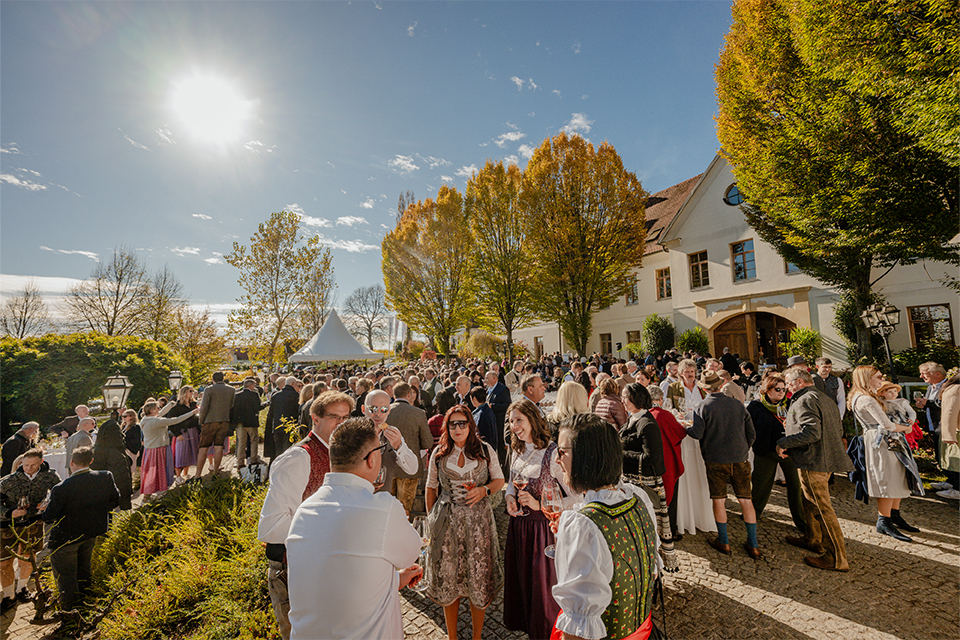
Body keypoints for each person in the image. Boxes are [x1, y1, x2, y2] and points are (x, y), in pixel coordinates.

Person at [285, 418, 422, 640]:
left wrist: (395, 580)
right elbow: (411, 554)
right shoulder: (383, 508)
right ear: (372, 459)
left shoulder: (304, 509)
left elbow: (336, 577)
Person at [551, 413, 662, 640]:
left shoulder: (583, 525)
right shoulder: (638, 498)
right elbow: (648, 567)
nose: (556, 459)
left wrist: (576, 537)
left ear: (586, 458)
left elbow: (577, 630)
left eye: (562, 451)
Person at [258, 390, 354, 639]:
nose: (341, 425)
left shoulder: (342, 454)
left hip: (328, 566)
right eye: (335, 417)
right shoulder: (299, 457)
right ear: (315, 418)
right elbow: (271, 527)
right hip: (293, 570)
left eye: (346, 418)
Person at [424, 406, 505, 640]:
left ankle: (477, 637)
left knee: (477, 581)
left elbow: (499, 479)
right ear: (446, 427)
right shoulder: (438, 453)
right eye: (453, 424)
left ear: (470, 426)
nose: (458, 428)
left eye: (462, 423)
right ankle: (452, 637)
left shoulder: (485, 450)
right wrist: (432, 521)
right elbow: (431, 487)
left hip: (478, 523)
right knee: (450, 580)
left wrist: (484, 490)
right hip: (447, 522)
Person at [503, 399, 571, 640]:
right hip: (519, 529)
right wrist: (509, 498)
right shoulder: (517, 450)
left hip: (543, 533)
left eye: (519, 420)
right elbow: (511, 483)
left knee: (543, 592)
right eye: (511, 421)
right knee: (522, 586)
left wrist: (539, 505)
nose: (514, 426)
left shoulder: (552, 454)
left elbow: (574, 497)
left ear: (533, 419)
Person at [777, 366, 854, 571]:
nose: (786, 387)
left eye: (788, 383)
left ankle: (837, 558)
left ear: (799, 382)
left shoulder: (804, 399)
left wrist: (785, 442)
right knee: (809, 501)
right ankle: (813, 538)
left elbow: (811, 433)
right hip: (823, 458)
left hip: (814, 460)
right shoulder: (822, 397)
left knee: (822, 508)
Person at [686, 370, 760, 559]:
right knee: (746, 499)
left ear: (704, 388)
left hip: (715, 458)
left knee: (719, 499)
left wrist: (684, 427)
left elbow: (697, 434)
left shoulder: (702, 406)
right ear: (720, 385)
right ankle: (753, 544)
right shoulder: (737, 404)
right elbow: (751, 433)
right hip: (739, 457)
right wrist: (743, 449)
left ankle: (724, 541)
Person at [848, 365, 922, 542]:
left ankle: (894, 515)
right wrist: (907, 428)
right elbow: (887, 425)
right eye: (878, 376)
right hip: (881, 441)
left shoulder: (864, 397)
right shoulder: (866, 399)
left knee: (897, 476)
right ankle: (884, 521)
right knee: (887, 479)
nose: (882, 379)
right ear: (867, 378)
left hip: (885, 440)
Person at [42, 446, 119, 615]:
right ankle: (87, 603)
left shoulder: (61, 488)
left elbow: (49, 517)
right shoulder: (105, 476)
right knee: (84, 568)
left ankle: (70, 613)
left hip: (65, 538)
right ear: (91, 461)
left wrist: (43, 509)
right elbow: (115, 500)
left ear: (71, 462)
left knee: (66, 577)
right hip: (92, 531)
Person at [620, 383, 677, 572]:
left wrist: (620, 455)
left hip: (646, 486)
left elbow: (653, 460)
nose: (622, 401)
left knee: (646, 530)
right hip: (633, 484)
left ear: (636, 399)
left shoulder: (648, 423)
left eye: (625, 397)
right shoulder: (633, 419)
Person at [0, 448, 61, 612]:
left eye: (32, 465)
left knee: (29, 557)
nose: (28, 468)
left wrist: (49, 505)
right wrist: (9, 513)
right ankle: (8, 596)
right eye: (25, 465)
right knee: (4, 563)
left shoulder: (50, 477)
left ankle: (21, 589)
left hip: (34, 523)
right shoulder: (7, 481)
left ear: (41, 462)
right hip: (8, 526)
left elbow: (59, 495)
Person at [747, 373, 806, 532]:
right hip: (765, 451)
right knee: (761, 484)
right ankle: (753, 514)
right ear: (767, 390)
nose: (781, 392)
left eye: (783, 389)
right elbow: (749, 428)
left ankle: (801, 520)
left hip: (788, 451)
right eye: (777, 389)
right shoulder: (755, 406)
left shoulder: (790, 404)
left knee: (795, 485)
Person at [386, 382, 434, 516]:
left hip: (388, 466)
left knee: (387, 509)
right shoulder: (418, 413)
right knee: (404, 509)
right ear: (409, 394)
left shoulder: (385, 411)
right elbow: (427, 442)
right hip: (410, 468)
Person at [647, 385, 686, 542]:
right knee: (669, 496)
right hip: (667, 462)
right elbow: (680, 433)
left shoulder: (644, 415)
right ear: (661, 399)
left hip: (651, 465)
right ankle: (669, 530)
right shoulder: (665, 415)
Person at [361, 390, 418, 494]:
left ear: (389, 411)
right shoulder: (352, 433)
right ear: (363, 409)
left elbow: (412, 469)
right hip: (356, 499)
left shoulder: (393, 434)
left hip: (382, 500)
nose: (378, 414)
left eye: (383, 409)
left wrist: (399, 446)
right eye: (373, 409)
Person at [140, 399, 197, 497]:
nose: (159, 409)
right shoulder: (156, 421)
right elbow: (176, 420)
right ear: (152, 410)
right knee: (161, 470)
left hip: (149, 449)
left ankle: (148, 494)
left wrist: (169, 405)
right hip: (159, 449)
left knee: (151, 472)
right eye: (157, 407)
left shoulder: (145, 419)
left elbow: (160, 414)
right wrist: (192, 413)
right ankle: (161, 491)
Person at [196, 371, 236, 477]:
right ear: (223, 378)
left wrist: (201, 421)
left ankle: (198, 474)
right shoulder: (231, 390)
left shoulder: (209, 389)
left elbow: (204, 407)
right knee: (219, 446)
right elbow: (232, 406)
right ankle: (216, 470)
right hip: (224, 420)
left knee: (203, 447)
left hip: (210, 421)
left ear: (213, 379)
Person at [91, 413, 134, 510]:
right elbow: (123, 481)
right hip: (112, 497)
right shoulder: (116, 455)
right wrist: (126, 504)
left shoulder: (94, 451)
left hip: (98, 499)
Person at [917, 361, 947, 467]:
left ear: (937, 374)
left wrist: (928, 403)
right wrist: (924, 406)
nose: (921, 376)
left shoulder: (947, 386)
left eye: (923, 373)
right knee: (940, 454)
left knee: (948, 454)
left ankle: (953, 480)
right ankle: (946, 476)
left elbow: (947, 405)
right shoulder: (930, 387)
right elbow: (933, 405)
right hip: (933, 427)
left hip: (945, 427)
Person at [169, 385, 200, 483]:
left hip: (194, 430)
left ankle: (186, 474)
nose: (192, 392)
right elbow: (171, 422)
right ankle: (178, 476)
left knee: (191, 453)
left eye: (193, 390)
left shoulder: (193, 404)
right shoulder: (177, 407)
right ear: (184, 393)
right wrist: (177, 434)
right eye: (190, 391)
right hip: (183, 432)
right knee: (181, 454)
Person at [937, 373, 960, 499]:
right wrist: (949, 434)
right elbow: (949, 413)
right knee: (955, 461)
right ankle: (956, 488)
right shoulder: (956, 389)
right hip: (956, 431)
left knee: (956, 461)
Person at [234, 377, 265, 469]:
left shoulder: (237, 395)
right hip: (251, 422)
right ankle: (253, 459)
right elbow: (257, 407)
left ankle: (240, 461)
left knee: (241, 442)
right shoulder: (254, 395)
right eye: (254, 385)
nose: (255, 386)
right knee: (254, 440)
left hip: (240, 423)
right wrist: (265, 404)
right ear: (250, 385)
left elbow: (234, 410)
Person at [485, 371, 512, 467]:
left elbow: (508, 405)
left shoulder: (502, 389)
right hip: (491, 423)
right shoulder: (488, 389)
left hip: (499, 422)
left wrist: (493, 406)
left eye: (487, 378)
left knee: (501, 446)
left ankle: (505, 467)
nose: (485, 380)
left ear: (494, 378)